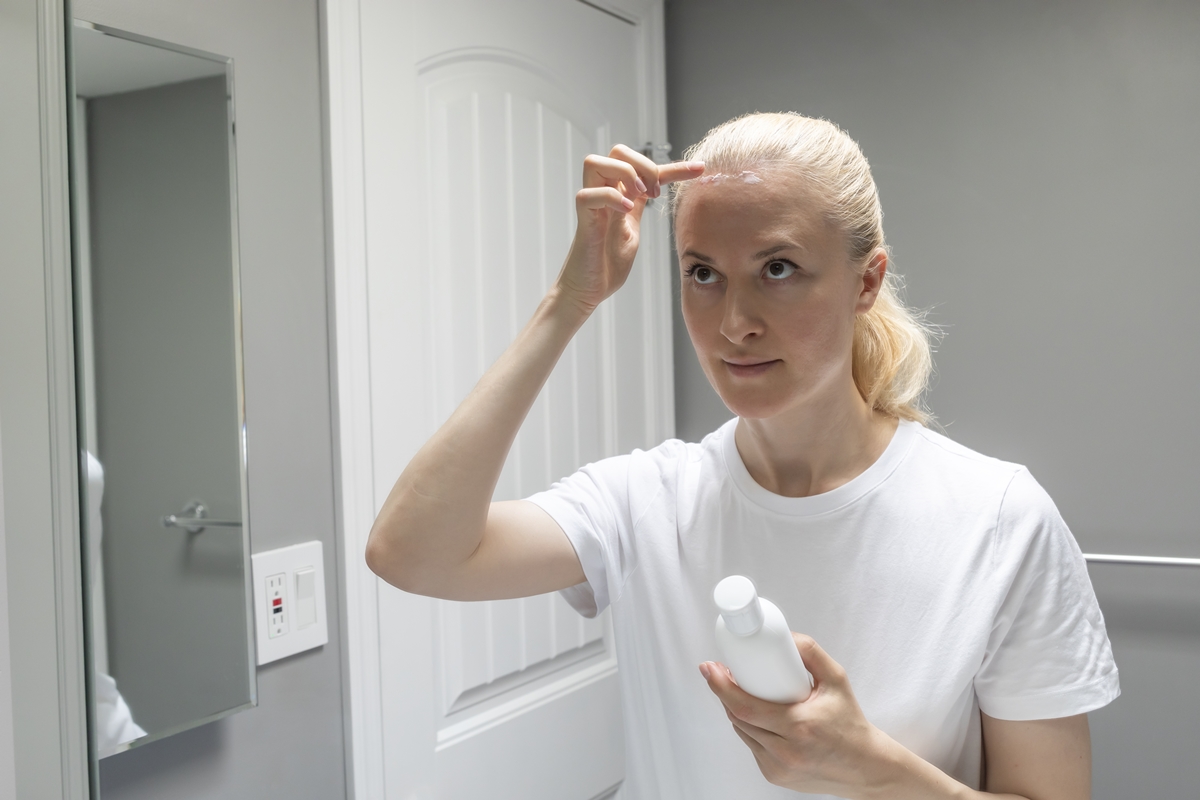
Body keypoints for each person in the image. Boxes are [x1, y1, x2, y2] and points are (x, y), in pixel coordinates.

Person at [366, 112, 1119, 800]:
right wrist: (571, 299)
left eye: (778, 269)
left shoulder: (997, 519)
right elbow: (412, 553)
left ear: (867, 281)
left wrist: (872, 769)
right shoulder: (642, 501)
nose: (733, 324)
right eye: (703, 274)